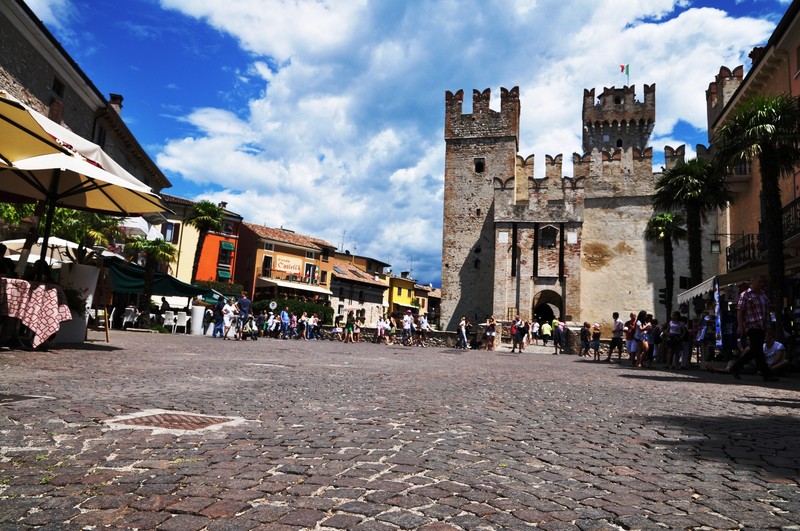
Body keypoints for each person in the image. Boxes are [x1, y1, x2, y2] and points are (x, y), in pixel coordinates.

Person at [730, 275, 778, 381]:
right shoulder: (745, 295)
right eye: (759, 282)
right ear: (753, 282)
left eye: (762, 282)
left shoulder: (763, 296)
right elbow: (740, 310)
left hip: (761, 327)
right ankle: (767, 374)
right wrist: (740, 324)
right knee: (758, 352)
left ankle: (735, 367)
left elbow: (766, 313)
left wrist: (769, 328)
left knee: (754, 351)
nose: (762, 284)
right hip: (752, 326)